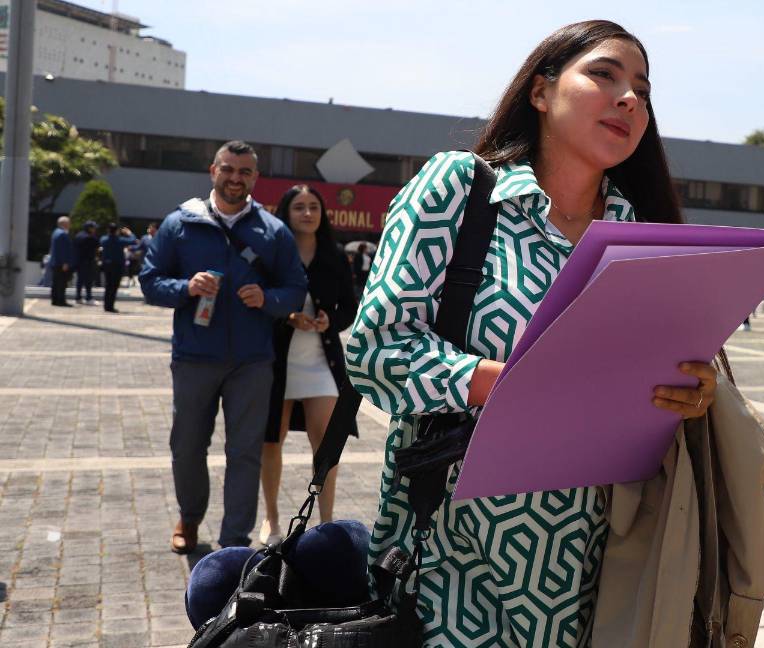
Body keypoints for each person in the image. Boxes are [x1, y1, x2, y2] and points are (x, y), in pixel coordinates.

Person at [344, 20, 717, 646]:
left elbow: (644, 388)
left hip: (602, 567)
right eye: (604, 75)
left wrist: (692, 390)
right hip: (451, 563)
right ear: (541, 93)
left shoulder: (643, 236)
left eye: (643, 91)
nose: (629, 98)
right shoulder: (460, 190)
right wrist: (501, 383)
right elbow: (375, 348)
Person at [140, 140, 307, 554]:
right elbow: (150, 281)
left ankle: (235, 540)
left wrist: (267, 299)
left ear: (255, 177)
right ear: (213, 170)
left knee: (245, 451)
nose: (236, 178)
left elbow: (296, 288)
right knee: (187, 446)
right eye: (228, 169)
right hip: (194, 356)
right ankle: (189, 518)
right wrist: (186, 287)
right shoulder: (180, 224)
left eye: (245, 171)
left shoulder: (272, 230)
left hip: (252, 361)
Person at [259, 185, 360, 546]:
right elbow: (260, 301)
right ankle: (270, 518)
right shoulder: (270, 253)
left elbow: (349, 306)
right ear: (286, 212)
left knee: (327, 445)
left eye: (313, 206)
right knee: (272, 441)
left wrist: (327, 320)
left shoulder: (334, 256)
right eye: (299, 207)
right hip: (277, 363)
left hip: (321, 361)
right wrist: (285, 316)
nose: (307, 213)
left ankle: (326, 521)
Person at [98, 224, 138, 313]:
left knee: (108, 285)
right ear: (116, 231)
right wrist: (129, 233)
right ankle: (110, 306)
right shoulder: (120, 240)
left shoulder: (104, 239)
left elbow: (101, 242)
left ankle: (106, 305)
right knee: (114, 286)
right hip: (117, 265)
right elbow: (133, 240)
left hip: (107, 265)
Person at [48, 216, 74, 307]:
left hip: (55, 262)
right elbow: (63, 250)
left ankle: (55, 300)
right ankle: (61, 301)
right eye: (68, 223)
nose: (70, 225)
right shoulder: (62, 234)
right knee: (61, 283)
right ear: (64, 224)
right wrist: (65, 262)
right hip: (61, 263)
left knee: (56, 282)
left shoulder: (55, 232)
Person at [73, 221, 99, 305]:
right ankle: (88, 298)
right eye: (93, 228)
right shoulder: (89, 237)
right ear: (89, 228)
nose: (95, 229)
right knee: (88, 280)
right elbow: (96, 244)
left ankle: (78, 297)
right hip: (87, 262)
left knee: (80, 280)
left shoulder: (78, 235)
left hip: (79, 261)